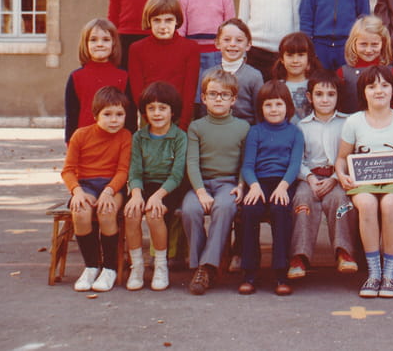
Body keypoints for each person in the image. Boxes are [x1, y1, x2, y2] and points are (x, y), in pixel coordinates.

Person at [335, 65, 393, 299]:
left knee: (390, 205)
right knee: (368, 204)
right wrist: (342, 175)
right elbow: (341, 159)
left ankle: (389, 273)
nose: (378, 90)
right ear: (363, 92)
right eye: (371, 86)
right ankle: (373, 273)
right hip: (363, 181)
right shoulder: (354, 122)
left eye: (384, 85)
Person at [182, 70, 250, 295]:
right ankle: (201, 266)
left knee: (224, 207)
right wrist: (200, 191)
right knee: (190, 210)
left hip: (227, 184)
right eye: (213, 94)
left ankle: (207, 266)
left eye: (224, 95)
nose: (218, 99)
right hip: (201, 184)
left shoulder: (242, 127)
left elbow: (246, 162)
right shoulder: (197, 127)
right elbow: (192, 162)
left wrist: (241, 185)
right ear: (203, 98)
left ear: (233, 99)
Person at [288, 70, 358, 280]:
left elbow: (351, 155)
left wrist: (336, 178)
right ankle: (299, 256)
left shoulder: (347, 123)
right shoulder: (302, 126)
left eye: (330, 94)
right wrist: (309, 177)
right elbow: (297, 159)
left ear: (338, 96)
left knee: (341, 200)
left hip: (337, 177)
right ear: (310, 97)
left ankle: (344, 251)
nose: (325, 99)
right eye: (319, 94)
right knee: (302, 200)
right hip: (310, 178)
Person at [61, 86, 132, 292]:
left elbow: (123, 171)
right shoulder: (80, 135)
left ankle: (109, 268)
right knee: (81, 211)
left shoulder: (125, 136)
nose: (114, 120)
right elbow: (68, 170)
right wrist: (77, 192)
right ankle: (91, 266)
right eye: (107, 114)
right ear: (95, 115)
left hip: (113, 185)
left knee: (107, 211)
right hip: (86, 185)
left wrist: (109, 192)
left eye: (119, 114)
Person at [238, 81, 304, 296]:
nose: (274, 109)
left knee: (280, 210)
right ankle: (249, 272)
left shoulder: (295, 132)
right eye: (268, 105)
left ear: (288, 106)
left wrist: (283, 186)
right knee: (249, 210)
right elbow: (248, 165)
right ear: (261, 108)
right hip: (258, 182)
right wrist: (254, 186)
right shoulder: (255, 132)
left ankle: (281, 273)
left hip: (284, 183)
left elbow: (294, 164)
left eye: (278, 104)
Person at [123, 81, 187, 291]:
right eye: (151, 108)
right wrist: (136, 194)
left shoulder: (179, 136)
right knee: (131, 213)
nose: (157, 113)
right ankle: (137, 266)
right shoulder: (139, 137)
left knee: (154, 214)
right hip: (144, 186)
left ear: (172, 111)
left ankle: (161, 265)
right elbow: (135, 172)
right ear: (145, 112)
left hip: (170, 187)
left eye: (162, 108)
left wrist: (158, 196)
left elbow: (177, 175)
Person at [128, 0, 200, 130]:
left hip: (180, 119)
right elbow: (137, 91)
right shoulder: (137, 49)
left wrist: (183, 126)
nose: (162, 26)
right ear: (149, 21)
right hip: (149, 117)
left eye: (168, 20)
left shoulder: (190, 48)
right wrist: (149, 119)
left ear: (177, 21)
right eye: (157, 20)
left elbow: (190, 90)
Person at [65, 18, 136, 144]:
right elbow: (71, 116)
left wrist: (131, 142)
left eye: (106, 40)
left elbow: (130, 116)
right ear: (85, 44)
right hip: (85, 142)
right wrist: (70, 143)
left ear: (114, 43)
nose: (100, 44)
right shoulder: (76, 77)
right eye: (93, 40)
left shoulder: (124, 76)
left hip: (116, 143)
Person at [199, 18, 263, 124]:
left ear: (248, 45)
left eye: (239, 40)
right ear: (217, 43)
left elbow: (259, 114)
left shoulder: (254, 76)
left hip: (246, 131)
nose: (232, 44)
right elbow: (203, 112)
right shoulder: (208, 75)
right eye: (227, 39)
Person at [337, 15, 393, 114]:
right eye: (363, 44)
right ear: (354, 43)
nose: (368, 50)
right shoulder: (343, 73)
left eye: (374, 44)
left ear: (383, 43)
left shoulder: (391, 72)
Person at [272, 32, 322, 123]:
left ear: (309, 58)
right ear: (282, 59)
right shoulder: (276, 87)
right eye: (290, 55)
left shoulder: (316, 85)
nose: (295, 60)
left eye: (301, 55)